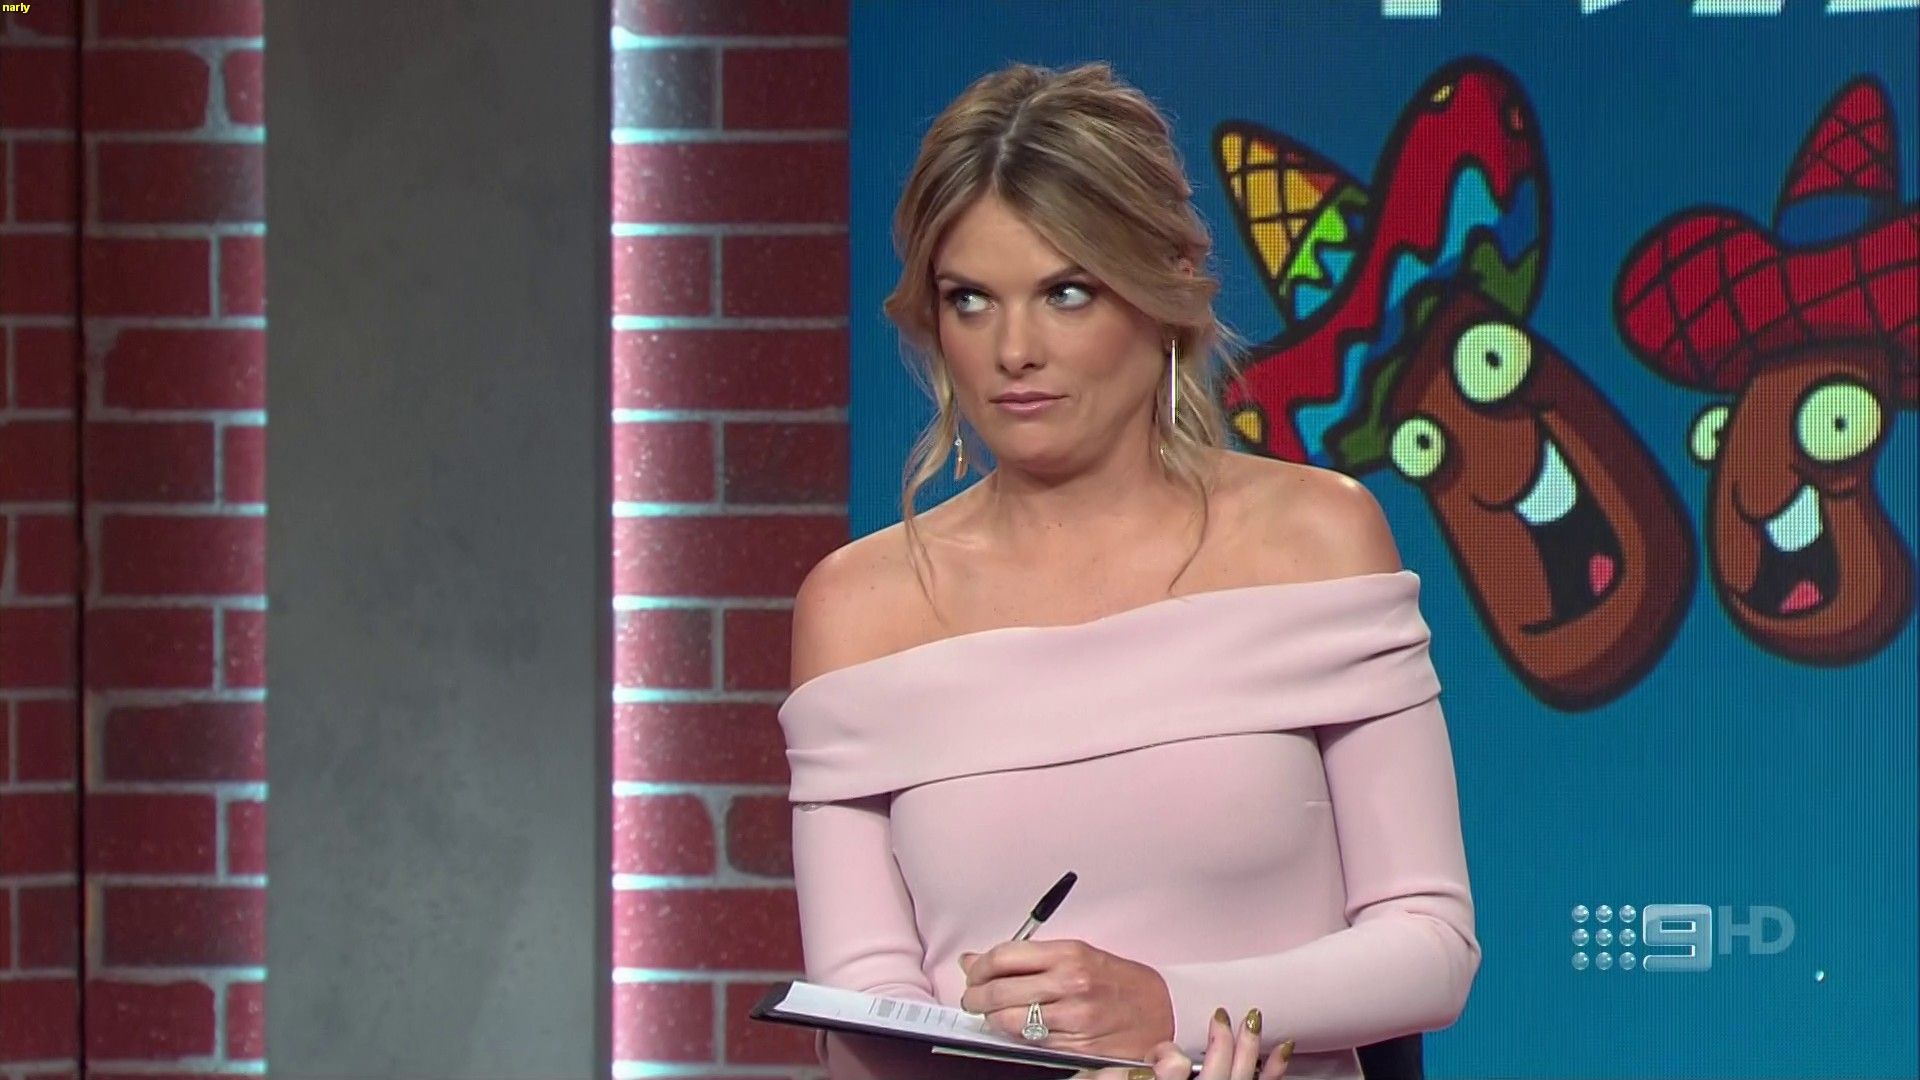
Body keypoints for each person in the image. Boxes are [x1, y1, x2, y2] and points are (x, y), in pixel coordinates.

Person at [779, 61, 1480, 1080]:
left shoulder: (1313, 541)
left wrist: (1168, 1010)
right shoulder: (859, 608)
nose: (1014, 349)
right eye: (970, 300)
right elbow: (863, 1018)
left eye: (1066, 293)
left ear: (1164, 289)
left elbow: (1429, 944)